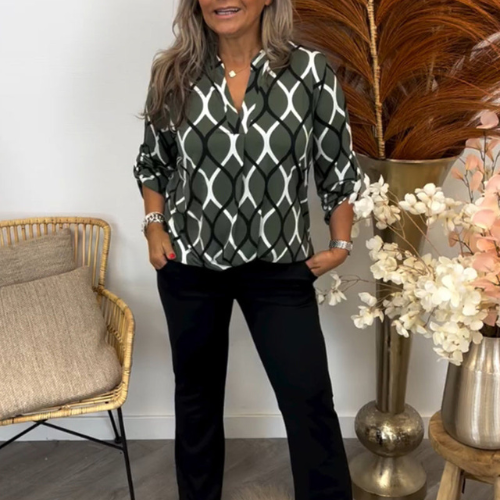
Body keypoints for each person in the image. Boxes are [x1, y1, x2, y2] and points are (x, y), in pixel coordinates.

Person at [133, 0, 362, 499]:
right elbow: (154, 162)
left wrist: (341, 243)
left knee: (308, 399)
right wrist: (154, 227)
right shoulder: (173, 74)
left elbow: (338, 169)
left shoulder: (310, 72)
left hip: (279, 265)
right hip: (190, 262)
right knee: (196, 400)